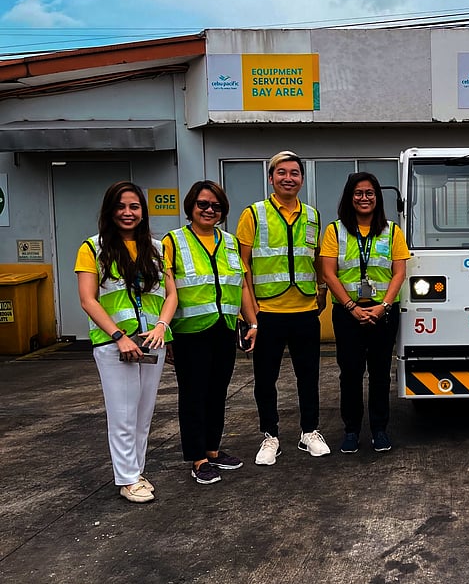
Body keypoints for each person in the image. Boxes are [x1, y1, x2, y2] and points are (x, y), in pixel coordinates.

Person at [77, 181, 177, 503]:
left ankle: (136, 471)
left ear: (143, 212)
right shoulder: (93, 248)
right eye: (121, 206)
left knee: (143, 413)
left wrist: (162, 326)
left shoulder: (158, 248)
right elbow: (88, 300)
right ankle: (127, 478)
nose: (127, 213)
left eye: (134, 207)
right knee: (122, 413)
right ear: (110, 210)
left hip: (152, 341)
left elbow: (171, 294)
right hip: (114, 344)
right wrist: (118, 337)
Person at [237, 151, 330, 465]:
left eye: (294, 173)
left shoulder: (313, 216)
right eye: (282, 173)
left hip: (304, 309)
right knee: (265, 379)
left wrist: (321, 290)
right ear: (271, 177)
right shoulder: (254, 214)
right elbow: (243, 267)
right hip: (268, 311)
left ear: (302, 179)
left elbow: (317, 260)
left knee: (309, 376)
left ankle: (309, 432)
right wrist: (250, 315)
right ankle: (270, 435)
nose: (288, 178)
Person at [164, 181, 254, 485]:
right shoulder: (173, 241)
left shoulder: (229, 242)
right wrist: (166, 335)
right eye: (203, 204)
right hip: (189, 332)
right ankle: (197, 457)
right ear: (191, 206)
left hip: (224, 328)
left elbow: (241, 284)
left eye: (215, 206)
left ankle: (213, 450)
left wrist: (252, 323)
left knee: (217, 392)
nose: (209, 210)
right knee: (193, 395)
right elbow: (166, 291)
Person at [319, 172, 410, 453]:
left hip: (383, 313)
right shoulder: (335, 230)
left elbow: (399, 272)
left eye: (369, 193)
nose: (364, 198)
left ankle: (380, 430)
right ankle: (351, 430)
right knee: (350, 374)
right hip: (347, 313)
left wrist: (383, 306)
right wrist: (351, 307)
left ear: (377, 197)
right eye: (358, 193)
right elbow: (329, 273)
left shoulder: (392, 230)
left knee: (381, 373)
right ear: (349, 197)